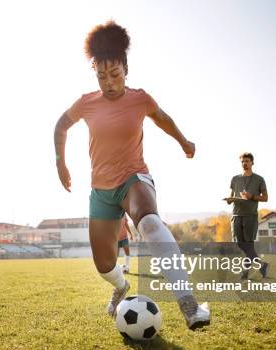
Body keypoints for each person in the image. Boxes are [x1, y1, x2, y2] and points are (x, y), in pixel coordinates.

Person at [53, 21, 210, 330]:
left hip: (134, 178)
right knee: (104, 264)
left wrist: (183, 141)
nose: (108, 83)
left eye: (114, 75)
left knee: (150, 223)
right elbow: (60, 125)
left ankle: (190, 306)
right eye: (101, 76)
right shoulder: (86, 103)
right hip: (101, 190)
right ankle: (120, 286)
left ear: (126, 69)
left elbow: (163, 119)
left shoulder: (140, 99)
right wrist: (61, 163)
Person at [226, 152, 269, 279]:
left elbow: (265, 198)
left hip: (250, 215)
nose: (245, 163)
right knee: (239, 244)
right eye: (243, 161)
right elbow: (232, 195)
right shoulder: (235, 179)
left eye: (247, 161)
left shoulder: (259, 179)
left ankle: (245, 272)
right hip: (236, 215)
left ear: (252, 163)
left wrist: (252, 197)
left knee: (248, 245)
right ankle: (261, 265)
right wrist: (229, 199)